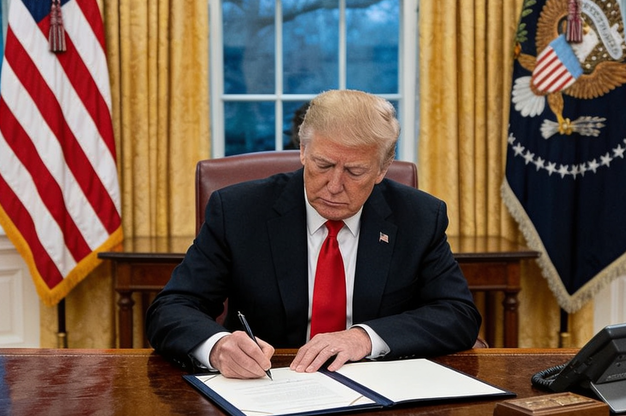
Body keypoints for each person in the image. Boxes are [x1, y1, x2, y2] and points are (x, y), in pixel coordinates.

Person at [146, 89, 481, 378]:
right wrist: (218, 347)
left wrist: (363, 338)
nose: (334, 186)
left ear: (382, 169)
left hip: (377, 395)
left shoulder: (419, 217)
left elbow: (458, 314)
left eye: (354, 171)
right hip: (267, 388)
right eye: (323, 165)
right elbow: (172, 307)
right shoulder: (239, 211)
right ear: (303, 152)